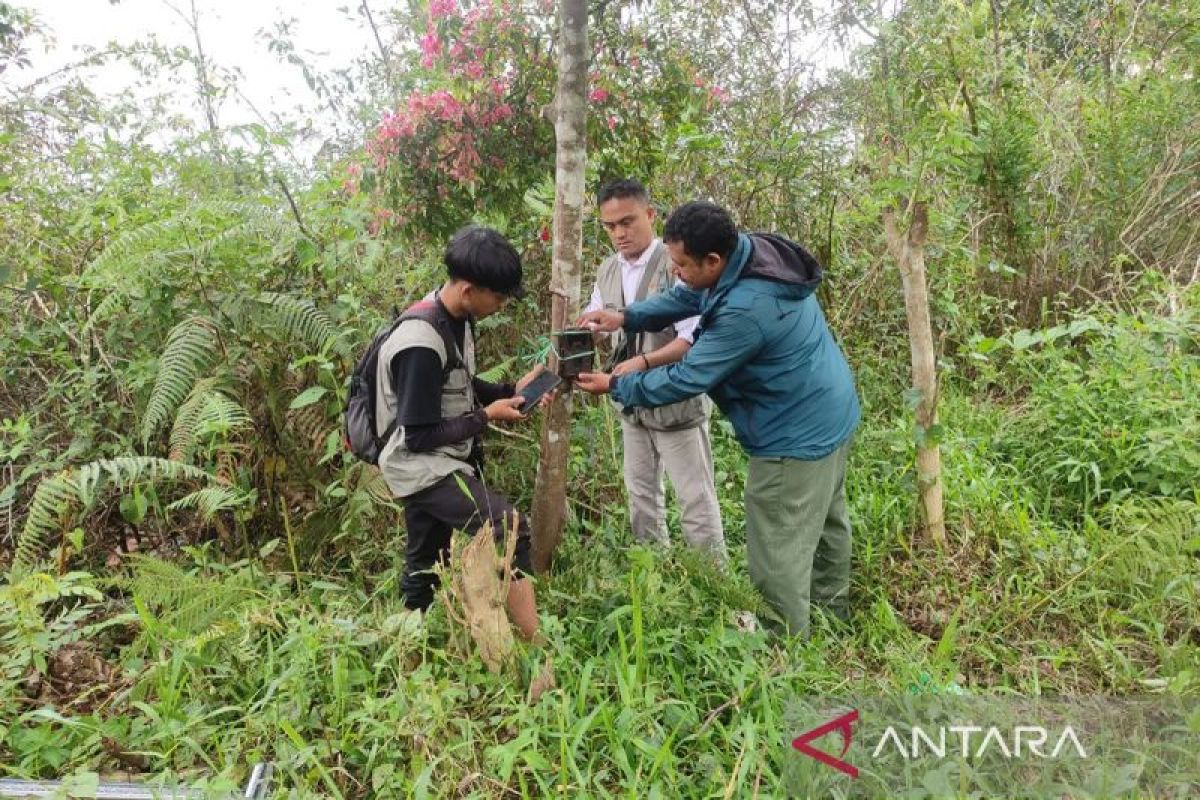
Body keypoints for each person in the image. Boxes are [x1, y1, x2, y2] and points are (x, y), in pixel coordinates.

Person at [576, 201, 860, 637]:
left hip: (792, 430)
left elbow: (690, 376)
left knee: (778, 541)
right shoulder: (749, 255)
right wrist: (627, 316)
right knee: (825, 520)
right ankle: (830, 616)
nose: (675, 272)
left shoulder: (746, 310)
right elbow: (688, 295)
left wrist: (617, 385)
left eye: (682, 264)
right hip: (829, 406)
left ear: (713, 260)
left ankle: (783, 642)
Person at [377, 225, 547, 640]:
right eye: (499, 296)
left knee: (424, 558)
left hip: (440, 459)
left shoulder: (457, 318)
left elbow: (460, 385)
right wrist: (487, 416)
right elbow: (417, 435)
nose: (502, 304)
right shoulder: (419, 342)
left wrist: (512, 392)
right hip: (419, 465)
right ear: (470, 289)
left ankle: (409, 644)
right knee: (508, 526)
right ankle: (533, 644)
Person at [581, 179, 726, 560]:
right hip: (631, 404)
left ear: (649, 214)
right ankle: (654, 576)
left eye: (627, 222)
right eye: (610, 226)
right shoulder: (607, 270)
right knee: (641, 495)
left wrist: (640, 363)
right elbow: (599, 325)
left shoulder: (678, 264)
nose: (619, 233)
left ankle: (715, 587)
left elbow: (690, 341)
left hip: (675, 402)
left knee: (694, 498)